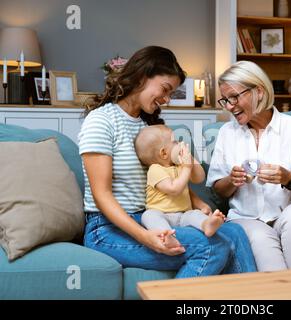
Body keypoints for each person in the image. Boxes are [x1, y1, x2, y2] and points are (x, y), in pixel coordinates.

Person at [79, 46, 256, 278]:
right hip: (107, 228)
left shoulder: (146, 126)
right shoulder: (101, 121)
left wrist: (196, 201)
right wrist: (145, 237)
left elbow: (162, 176)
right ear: (142, 76)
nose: (166, 99)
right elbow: (101, 196)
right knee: (212, 246)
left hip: (149, 215)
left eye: (171, 93)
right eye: (165, 89)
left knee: (235, 232)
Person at [206, 61, 291, 271]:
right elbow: (219, 188)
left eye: (234, 97)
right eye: (225, 100)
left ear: (259, 92)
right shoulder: (227, 132)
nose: (229, 106)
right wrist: (232, 180)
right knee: (262, 244)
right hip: (247, 219)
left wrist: (289, 179)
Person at [134, 125, 225, 249]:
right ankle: (166, 235)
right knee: (148, 216)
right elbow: (174, 189)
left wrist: (190, 159)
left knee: (194, 214)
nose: (180, 143)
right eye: (175, 142)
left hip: (183, 215)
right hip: (161, 213)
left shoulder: (180, 166)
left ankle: (207, 225)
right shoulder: (155, 170)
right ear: (164, 153)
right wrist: (187, 168)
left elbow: (199, 178)